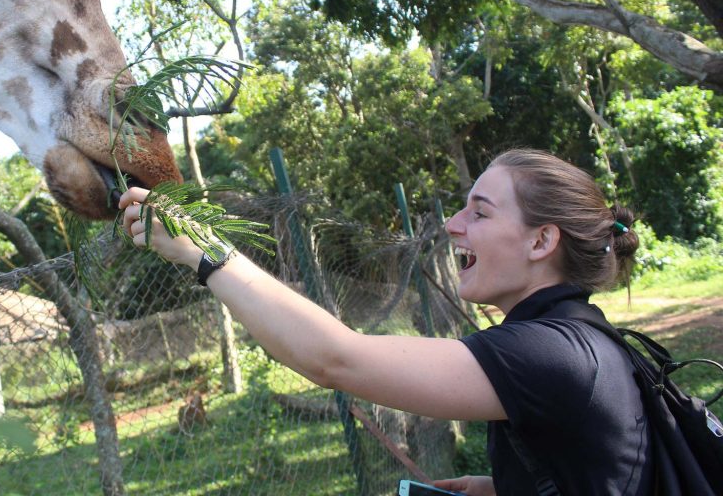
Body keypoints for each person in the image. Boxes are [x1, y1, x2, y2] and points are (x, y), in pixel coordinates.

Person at [119, 148, 650, 495]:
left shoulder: (548, 353)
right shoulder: (582, 333)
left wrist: (204, 252)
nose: (451, 224)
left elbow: (337, 359)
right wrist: (500, 487)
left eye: (480, 213)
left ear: (541, 241)